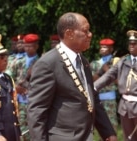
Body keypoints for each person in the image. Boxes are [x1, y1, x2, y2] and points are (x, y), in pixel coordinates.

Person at [27, 12, 117, 141]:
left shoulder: (83, 61)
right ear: (69, 34)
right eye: (85, 31)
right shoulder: (48, 63)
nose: (90, 34)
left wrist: (108, 132)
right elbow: (37, 110)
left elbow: (91, 98)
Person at [94, 30, 137, 141]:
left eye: (134, 43)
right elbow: (108, 76)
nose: (131, 46)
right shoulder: (123, 61)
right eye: (130, 43)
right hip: (125, 106)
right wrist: (93, 87)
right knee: (128, 138)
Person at [90, 38, 119, 131]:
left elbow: (119, 82)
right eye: (101, 47)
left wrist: (108, 71)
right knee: (98, 128)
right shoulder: (94, 64)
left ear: (111, 49)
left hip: (110, 100)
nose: (102, 49)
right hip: (97, 99)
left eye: (105, 47)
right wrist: (100, 71)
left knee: (111, 127)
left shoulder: (116, 63)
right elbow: (91, 81)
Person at [16, 33, 40, 141]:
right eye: (26, 46)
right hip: (20, 101)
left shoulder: (42, 62)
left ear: (36, 46)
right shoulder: (17, 61)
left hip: (35, 101)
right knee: (20, 128)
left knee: (34, 128)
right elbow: (8, 79)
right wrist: (17, 88)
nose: (27, 48)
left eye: (30, 46)